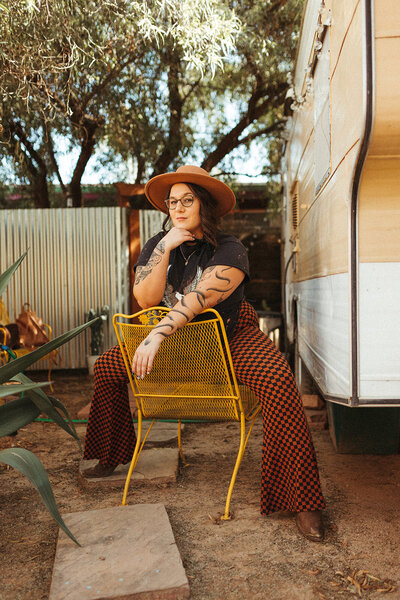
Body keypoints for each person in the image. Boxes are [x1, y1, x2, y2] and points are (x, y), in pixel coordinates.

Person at [83, 165, 326, 542]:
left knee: (278, 378)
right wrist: (165, 247)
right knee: (107, 368)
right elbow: (145, 298)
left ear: (204, 205)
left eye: (187, 200)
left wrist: (156, 335)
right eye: (171, 202)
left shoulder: (230, 248)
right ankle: (112, 452)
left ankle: (303, 499)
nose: (177, 208)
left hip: (228, 336)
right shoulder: (157, 245)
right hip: (175, 344)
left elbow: (204, 297)